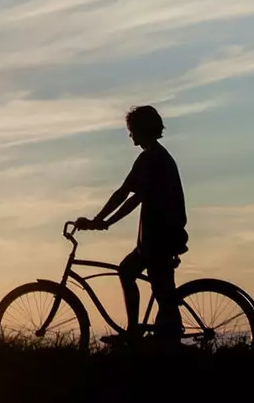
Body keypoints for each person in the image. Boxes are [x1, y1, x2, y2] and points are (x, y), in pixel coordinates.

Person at [75, 105, 188, 345]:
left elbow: (127, 195)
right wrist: (103, 222)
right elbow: (130, 196)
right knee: (139, 278)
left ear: (141, 129)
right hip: (158, 235)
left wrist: (99, 222)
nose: (130, 135)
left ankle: (153, 337)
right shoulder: (154, 156)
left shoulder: (153, 159)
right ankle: (140, 332)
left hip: (159, 236)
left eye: (131, 130)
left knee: (160, 290)